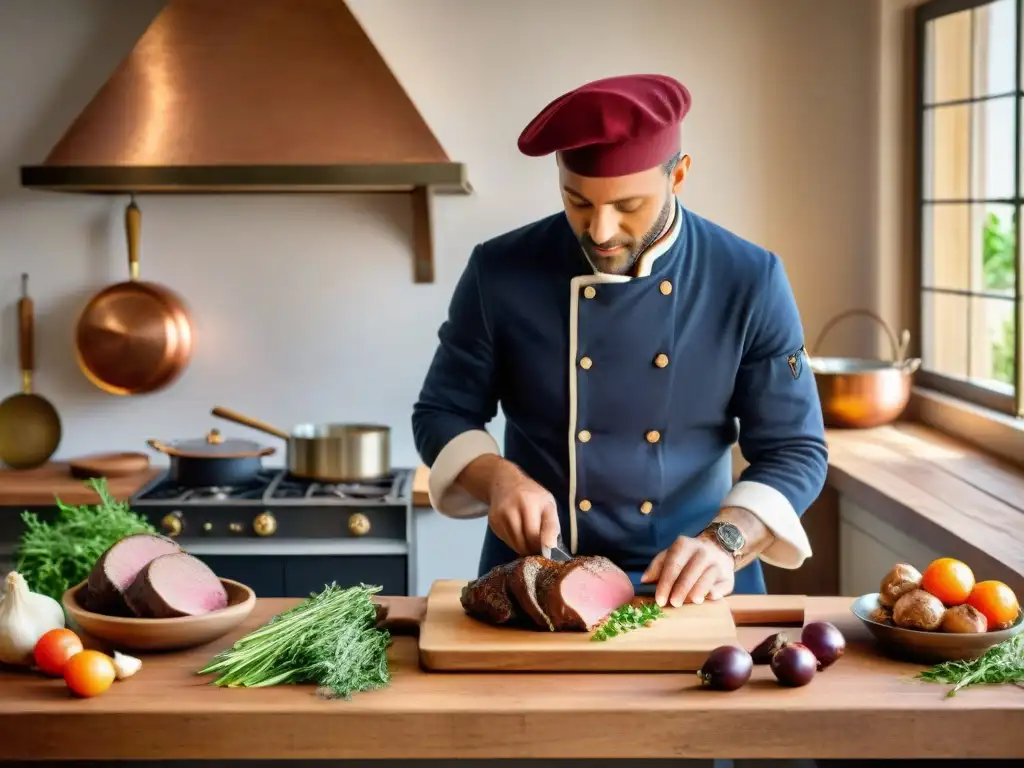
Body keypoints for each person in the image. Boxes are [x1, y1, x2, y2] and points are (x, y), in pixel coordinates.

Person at [412, 73, 828, 605]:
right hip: (534, 585)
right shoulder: (500, 271)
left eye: (628, 206)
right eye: (577, 202)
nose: (601, 230)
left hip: (696, 586)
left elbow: (795, 448)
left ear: (678, 175)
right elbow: (441, 411)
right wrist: (497, 478)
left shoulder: (749, 279)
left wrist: (726, 542)